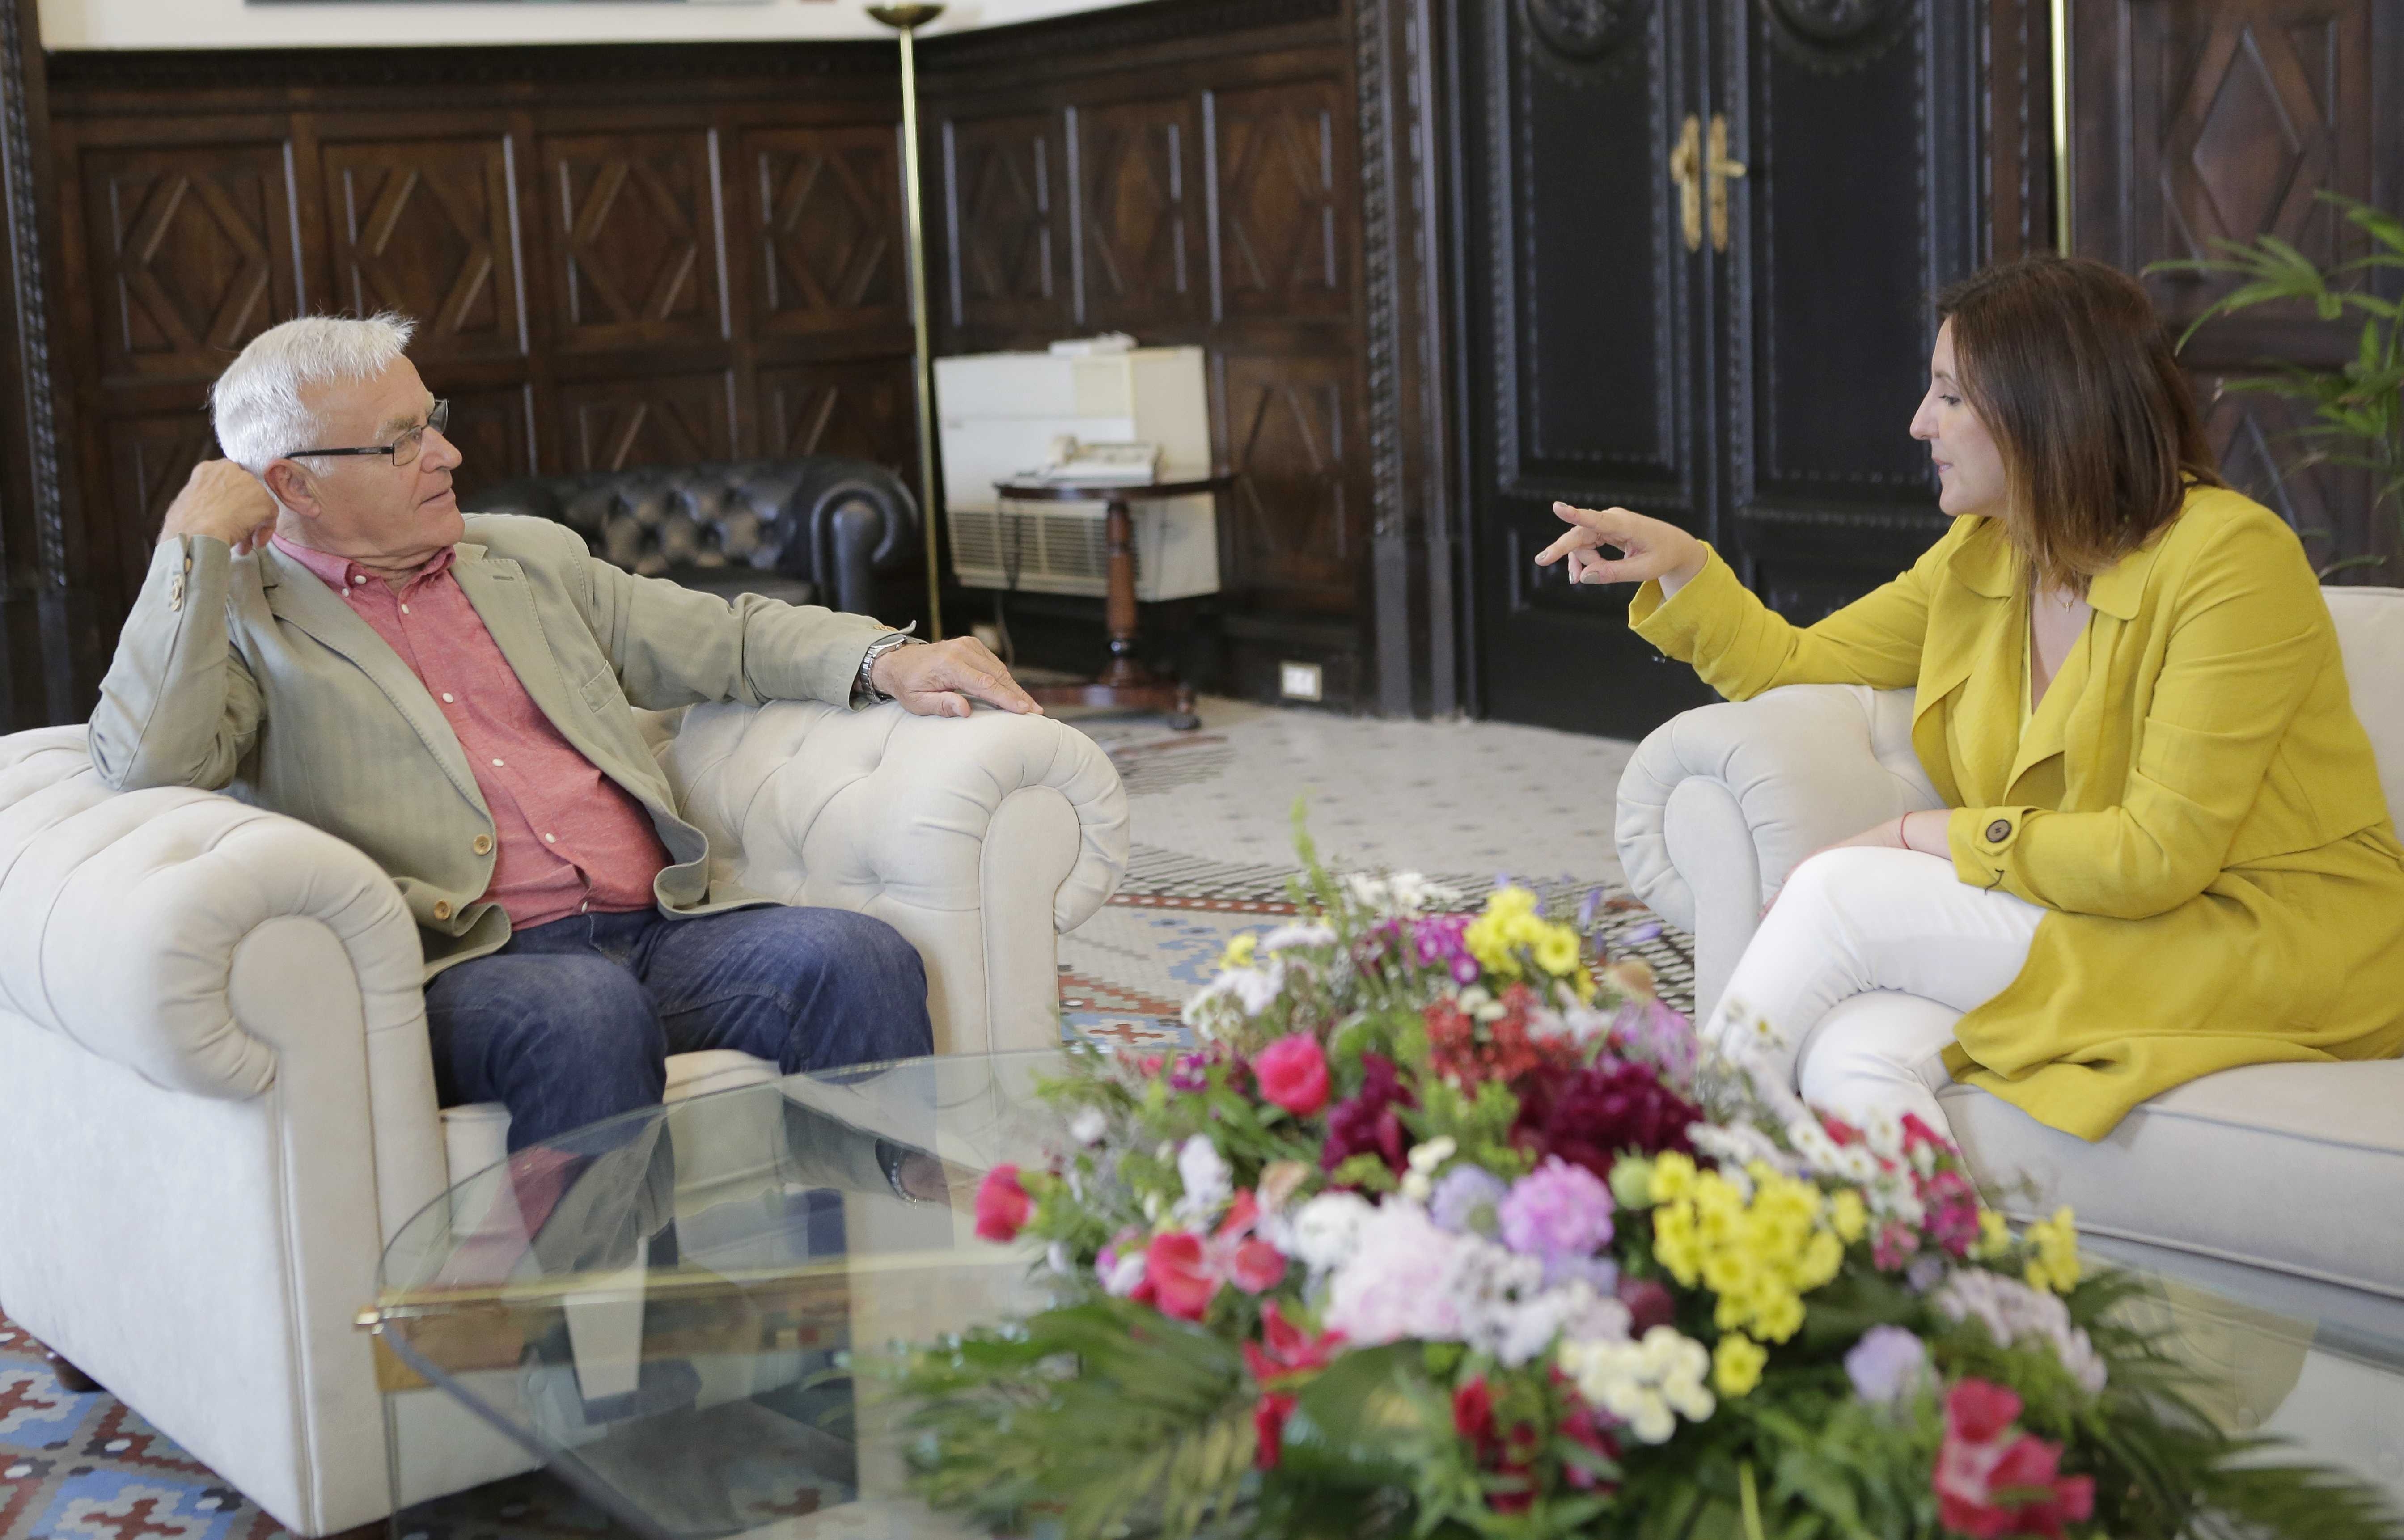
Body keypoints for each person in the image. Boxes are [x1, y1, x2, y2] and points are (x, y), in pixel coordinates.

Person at [90, 312, 1043, 1153]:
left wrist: (886, 659)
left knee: (852, 958)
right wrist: (190, 549)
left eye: (432, 421)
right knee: (584, 1012)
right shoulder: (241, 618)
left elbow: (726, 637)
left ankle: (876, 1272)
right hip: (465, 967)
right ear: (294, 484)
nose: (446, 455)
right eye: (402, 443)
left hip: (658, 929)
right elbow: (148, 764)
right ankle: (600, 1309)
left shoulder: (524, 556)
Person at [1536, 255, 2404, 1143]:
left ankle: (1676, 1164)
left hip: (2267, 941)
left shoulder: (2231, 559)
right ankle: (1913, 1240)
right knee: (1852, 1052)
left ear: (2047, 408)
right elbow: (1801, 664)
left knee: (1839, 893)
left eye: (1950, 396)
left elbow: (2155, 858)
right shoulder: (1985, 553)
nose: (1920, 422)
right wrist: (1686, 567)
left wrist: (1916, 835)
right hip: (2094, 919)